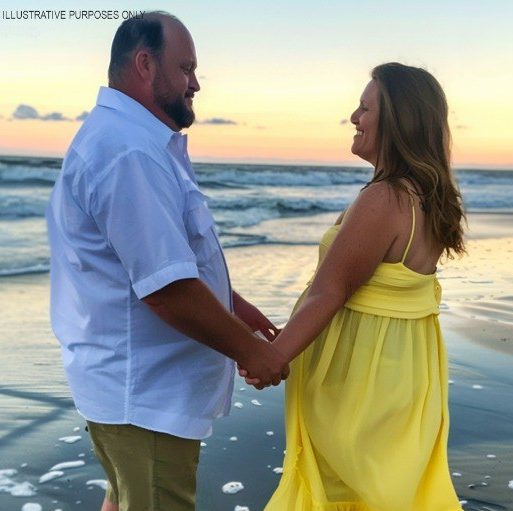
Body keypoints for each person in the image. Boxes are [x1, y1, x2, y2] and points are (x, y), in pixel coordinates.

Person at [46, 11, 289, 511]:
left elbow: (167, 261)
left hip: (131, 393)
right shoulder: (129, 152)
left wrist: (234, 308)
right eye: (186, 68)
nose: (195, 83)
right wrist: (251, 352)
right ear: (144, 64)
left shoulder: (132, 141)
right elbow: (166, 289)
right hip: (145, 397)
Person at [242, 62, 466, 510]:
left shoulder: (385, 197)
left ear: (398, 121)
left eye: (365, 108)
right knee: (384, 490)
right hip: (402, 374)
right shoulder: (426, 197)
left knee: (345, 492)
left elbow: (331, 291)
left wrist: (272, 357)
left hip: (361, 383)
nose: (354, 117)